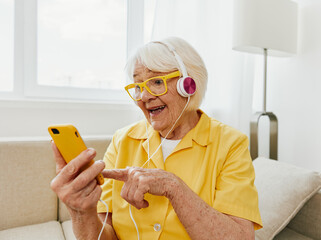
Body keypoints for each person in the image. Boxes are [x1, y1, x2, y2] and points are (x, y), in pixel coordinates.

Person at [50, 37, 262, 240]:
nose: (144, 96)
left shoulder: (231, 144)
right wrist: (81, 213)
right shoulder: (122, 140)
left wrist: (173, 187)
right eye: (138, 87)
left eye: (157, 82)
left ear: (189, 85)